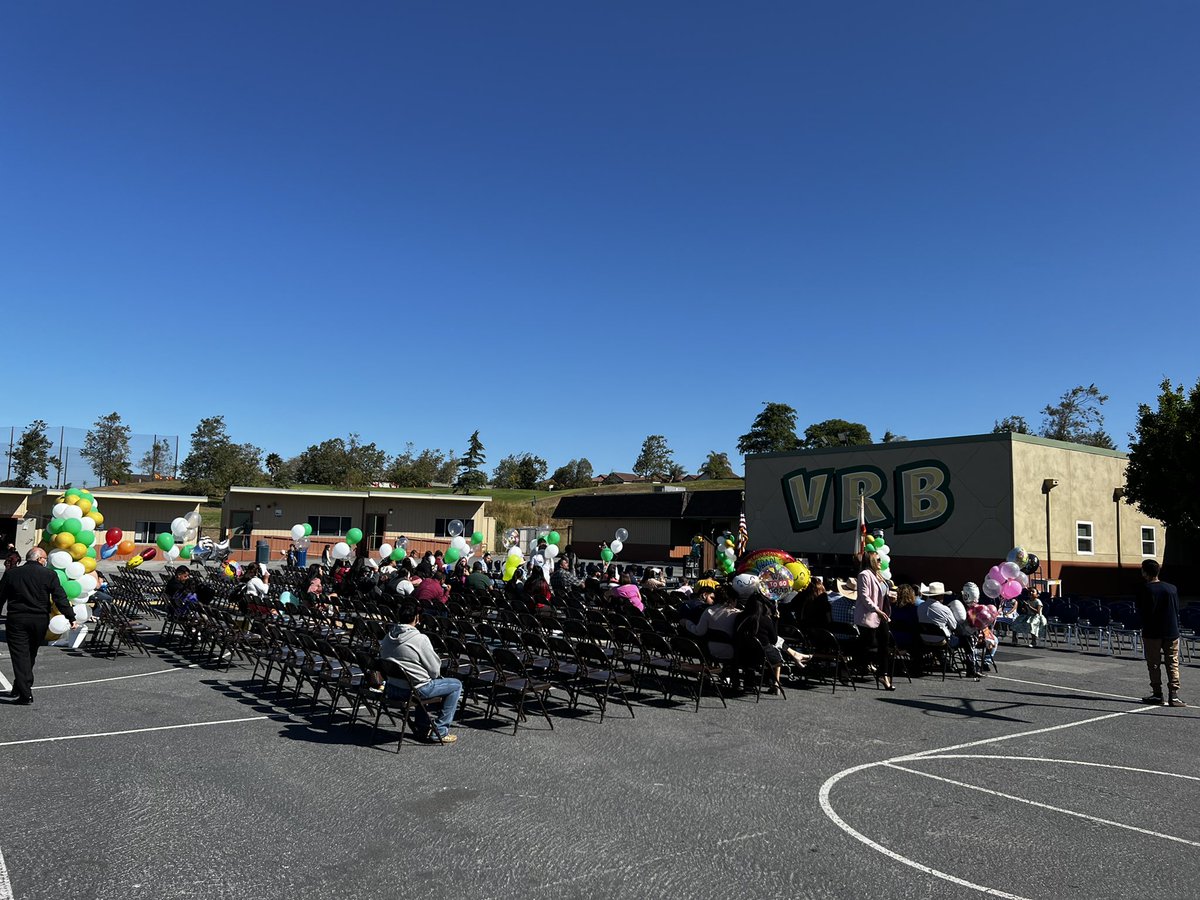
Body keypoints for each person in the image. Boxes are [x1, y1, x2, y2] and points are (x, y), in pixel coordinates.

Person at [379, 599, 462, 742]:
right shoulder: (420, 639)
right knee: (456, 685)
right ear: (417, 618)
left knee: (422, 681)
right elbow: (435, 670)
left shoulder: (388, 636)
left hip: (392, 687)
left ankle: (423, 727)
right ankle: (440, 731)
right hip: (413, 690)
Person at [0, 548, 74, 704]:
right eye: (45, 558)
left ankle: (24, 693)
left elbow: (0, 597)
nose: (45, 561)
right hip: (39, 620)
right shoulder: (48, 574)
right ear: (40, 559)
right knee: (30, 654)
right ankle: (21, 687)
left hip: (17, 619)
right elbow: (60, 597)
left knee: (20, 656)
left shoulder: (12, 574)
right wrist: (71, 616)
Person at [1136, 559, 1185, 707]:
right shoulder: (1172, 588)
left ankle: (1157, 693)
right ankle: (1174, 695)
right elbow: (1176, 609)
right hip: (1171, 630)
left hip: (1152, 632)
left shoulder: (1145, 589)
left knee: (1154, 663)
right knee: (1172, 662)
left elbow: (1142, 610)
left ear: (1145, 572)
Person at [919, 583, 979, 679]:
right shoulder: (944, 609)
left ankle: (944, 662)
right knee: (966, 639)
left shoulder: (920, 607)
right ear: (940, 595)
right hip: (942, 640)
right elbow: (954, 626)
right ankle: (971, 669)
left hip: (924, 638)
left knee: (937, 635)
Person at [855, 551, 895, 690]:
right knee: (866, 645)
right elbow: (864, 596)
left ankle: (883, 674)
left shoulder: (879, 575)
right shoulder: (864, 575)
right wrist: (876, 609)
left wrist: (889, 597)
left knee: (885, 644)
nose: (880, 562)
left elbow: (882, 593)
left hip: (881, 615)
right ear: (871, 560)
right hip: (871, 615)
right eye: (878, 560)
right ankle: (852, 665)